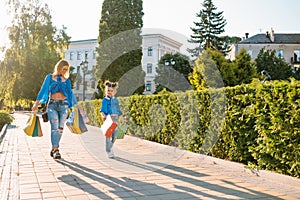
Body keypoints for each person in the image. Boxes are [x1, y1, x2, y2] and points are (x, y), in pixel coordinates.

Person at [32, 59, 77, 159]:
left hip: (64, 106)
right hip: (52, 105)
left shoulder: (67, 81)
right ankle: (56, 149)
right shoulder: (50, 77)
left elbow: (70, 94)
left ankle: (54, 148)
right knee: (54, 127)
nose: (65, 71)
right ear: (59, 67)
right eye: (63, 69)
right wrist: (36, 104)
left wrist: (77, 107)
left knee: (60, 128)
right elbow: (42, 90)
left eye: (66, 70)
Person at [100, 80, 126, 158]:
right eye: (108, 90)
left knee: (115, 136)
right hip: (109, 119)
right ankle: (108, 151)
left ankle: (109, 148)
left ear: (114, 91)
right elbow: (102, 110)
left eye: (111, 91)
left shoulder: (115, 100)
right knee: (108, 135)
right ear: (106, 90)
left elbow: (118, 110)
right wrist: (103, 116)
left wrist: (122, 118)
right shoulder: (105, 100)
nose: (109, 92)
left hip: (116, 119)